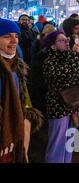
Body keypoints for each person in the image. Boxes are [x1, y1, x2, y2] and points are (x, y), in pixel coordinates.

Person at [43, 30, 79, 163]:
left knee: (71, 142)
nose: (66, 42)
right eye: (61, 40)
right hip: (59, 107)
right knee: (57, 143)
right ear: (52, 46)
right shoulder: (49, 61)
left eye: (66, 39)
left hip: (75, 105)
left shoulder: (70, 56)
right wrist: (75, 55)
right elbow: (65, 76)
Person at [0, 19, 43, 163]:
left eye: (16, 36)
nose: (14, 41)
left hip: (16, 129)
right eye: (7, 36)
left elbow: (20, 96)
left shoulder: (16, 65)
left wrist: (24, 116)